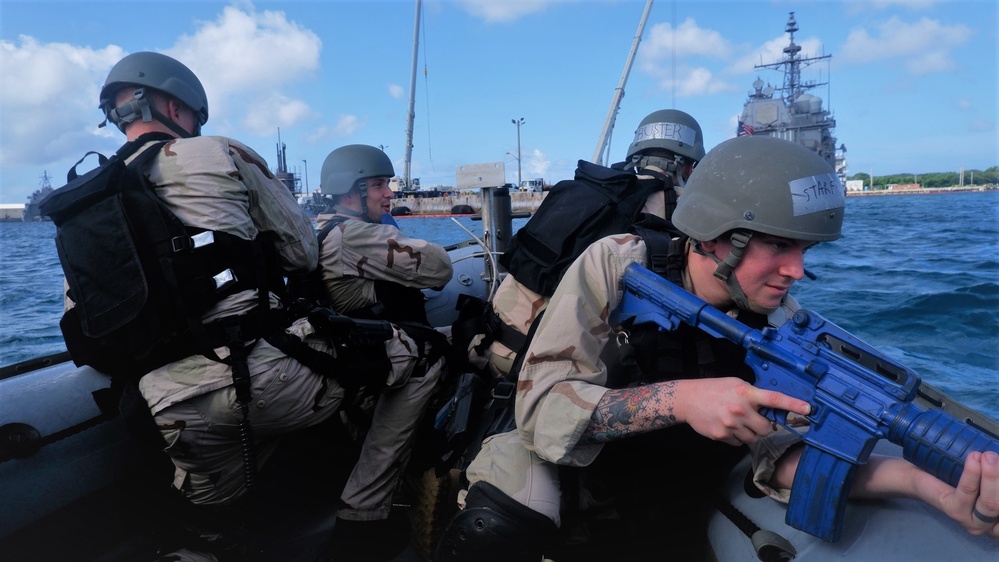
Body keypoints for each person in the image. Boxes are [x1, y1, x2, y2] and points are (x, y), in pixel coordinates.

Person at [436, 136, 999, 561]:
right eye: (779, 245)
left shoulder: (780, 323)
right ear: (716, 237)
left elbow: (779, 458)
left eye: (804, 250)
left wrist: (929, 487)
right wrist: (683, 401)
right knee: (499, 524)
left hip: (668, 493)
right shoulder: (620, 264)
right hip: (572, 471)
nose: (797, 271)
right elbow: (540, 411)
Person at [96, 52, 422, 560]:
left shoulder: (86, 201)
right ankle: (365, 519)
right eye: (192, 117)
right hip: (256, 379)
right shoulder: (219, 152)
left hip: (156, 402)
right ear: (171, 106)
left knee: (213, 531)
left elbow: (90, 323)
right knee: (420, 355)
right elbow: (301, 250)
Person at [314, 144, 454, 560]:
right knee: (432, 351)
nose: (389, 193)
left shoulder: (321, 227)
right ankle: (364, 514)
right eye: (379, 185)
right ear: (350, 191)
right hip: (370, 366)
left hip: (352, 352)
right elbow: (439, 268)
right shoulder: (353, 234)